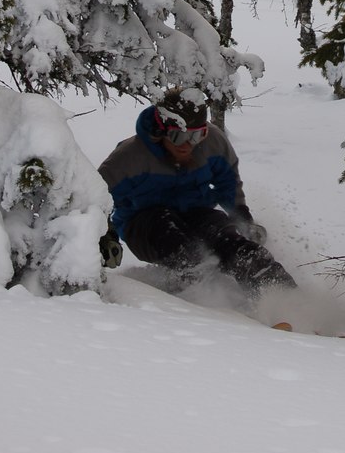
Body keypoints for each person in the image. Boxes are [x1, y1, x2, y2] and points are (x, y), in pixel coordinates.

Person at [97, 87, 296, 297]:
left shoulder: (213, 143)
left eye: (195, 136)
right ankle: (200, 303)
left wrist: (242, 218)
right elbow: (96, 196)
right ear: (160, 130)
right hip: (142, 222)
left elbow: (227, 182)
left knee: (231, 243)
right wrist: (106, 236)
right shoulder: (129, 158)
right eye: (177, 136)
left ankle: (284, 297)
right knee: (176, 240)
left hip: (197, 212)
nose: (186, 146)